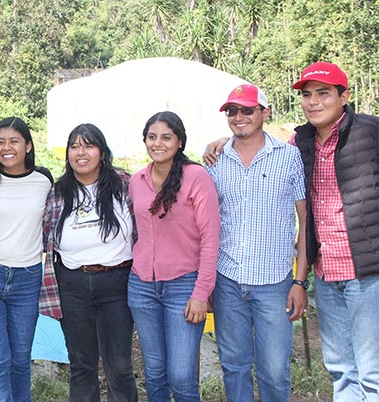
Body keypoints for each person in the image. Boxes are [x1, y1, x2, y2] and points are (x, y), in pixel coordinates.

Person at [205, 84, 309, 402]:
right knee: (234, 366)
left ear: (265, 113)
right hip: (228, 281)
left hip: (274, 283)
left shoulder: (289, 157)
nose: (239, 117)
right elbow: (206, 224)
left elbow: (305, 221)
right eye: (232, 111)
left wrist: (300, 281)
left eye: (247, 110)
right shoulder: (214, 159)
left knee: (275, 370)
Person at [291, 62, 379, 401]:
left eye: (324, 94)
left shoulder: (371, 133)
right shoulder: (301, 141)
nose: (313, 102)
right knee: (341, 370)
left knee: (372, 372)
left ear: (344, 96)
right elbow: (261, 148)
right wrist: (225, 140)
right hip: (326, 274)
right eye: (307, 95)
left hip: (367, 274)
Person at [39, 123, 137, 402]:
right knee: (82, 366)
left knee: (119, 366)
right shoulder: (58, 191)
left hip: (116, 283)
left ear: (102, 152)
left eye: (89, 145)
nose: (81, 152)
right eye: (74, 146)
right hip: (72, 285)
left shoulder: (124, 184)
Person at [128, 111, 219, 402]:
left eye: (166, 137)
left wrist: (201, 292)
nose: (158, 143)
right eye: (152, 137)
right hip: (141, 285)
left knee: (181, 375)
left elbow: (210, 237)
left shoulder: (196, 177)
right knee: (154, 371)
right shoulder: (137, 180)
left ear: (179, 141)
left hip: (183, 286)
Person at [0, 117, 53, 402]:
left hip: (28, 278)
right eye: (0, 142)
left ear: (27, 145)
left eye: (14, 141)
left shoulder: (44, 180)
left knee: (20, 358)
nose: (6, 148)